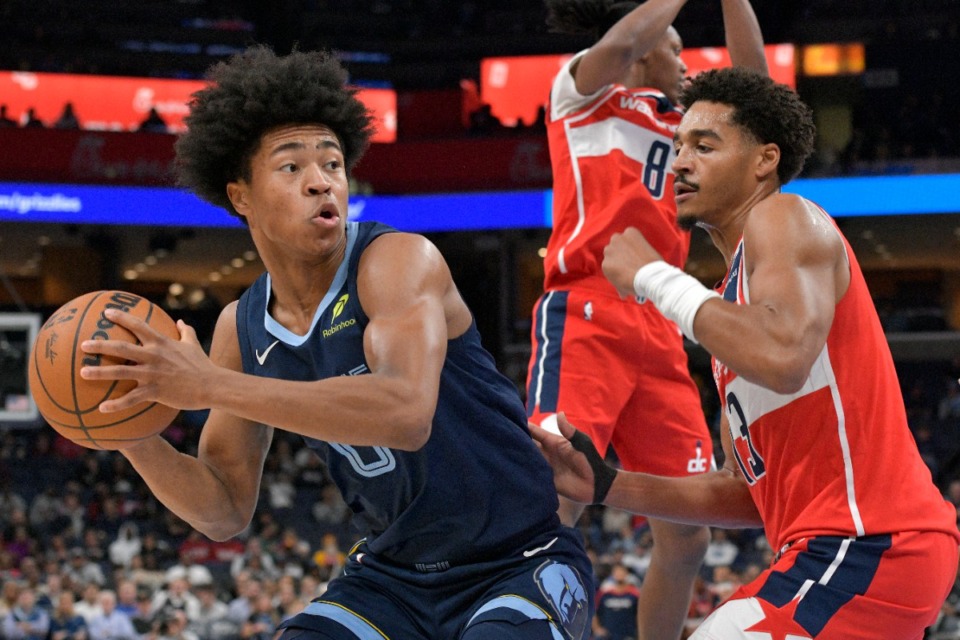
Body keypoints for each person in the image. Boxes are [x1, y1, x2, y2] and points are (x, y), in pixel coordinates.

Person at [78, 45, 595, 640]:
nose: (321, 181)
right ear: (240, 195)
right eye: (292, 167)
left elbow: (405, 414)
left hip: (519, 560)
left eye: (332, 163)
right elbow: (223, 509)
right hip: (393, 579)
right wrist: (134, 436)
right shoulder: (240, 329)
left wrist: (210, 384)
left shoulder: (397, 261)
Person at [530, 66, 960, 639]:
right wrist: (607, 485)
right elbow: (748, 495)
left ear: (764, 160)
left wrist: (656, 278)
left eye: (704, 146)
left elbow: (785, 356)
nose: (679, 161)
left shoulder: (783, 218)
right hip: (846, 552)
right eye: (677, 145)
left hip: (870, 543)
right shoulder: (732, 314)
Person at [525, 0, 767, 637]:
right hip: (585, 312)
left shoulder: (686, 126)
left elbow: (758, 88)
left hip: (660, 324)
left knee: (688, 536)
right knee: (553, 498)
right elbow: (630, 31)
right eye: (677, 47)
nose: (686, 62)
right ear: (645, 47)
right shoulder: (580, 94)